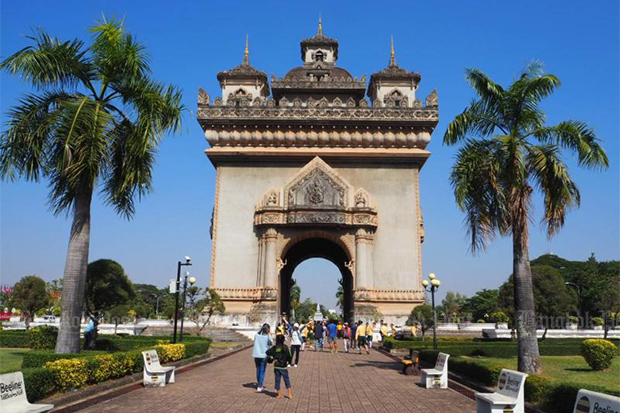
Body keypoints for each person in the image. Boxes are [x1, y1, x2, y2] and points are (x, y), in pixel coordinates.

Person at [266, 334, 293, 400]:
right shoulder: (285, 347)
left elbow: (267, 352)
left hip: (277, 366)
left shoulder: (275, 347)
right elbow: (289, 356)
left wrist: (273, 357)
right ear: (283, 340)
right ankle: (289, 394)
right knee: (286, 380)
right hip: (283, 366)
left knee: (277, 380)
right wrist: (288, 362)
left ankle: (279, 394)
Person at [252, 323, 272, 393]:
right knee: (262, 371)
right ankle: (260, 386)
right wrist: (269, 334)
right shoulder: (267, 336)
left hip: (256, 354)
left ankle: (259, 384)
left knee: (258, 370)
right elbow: (271, 343)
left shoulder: (256, 335)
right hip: (263, 355)